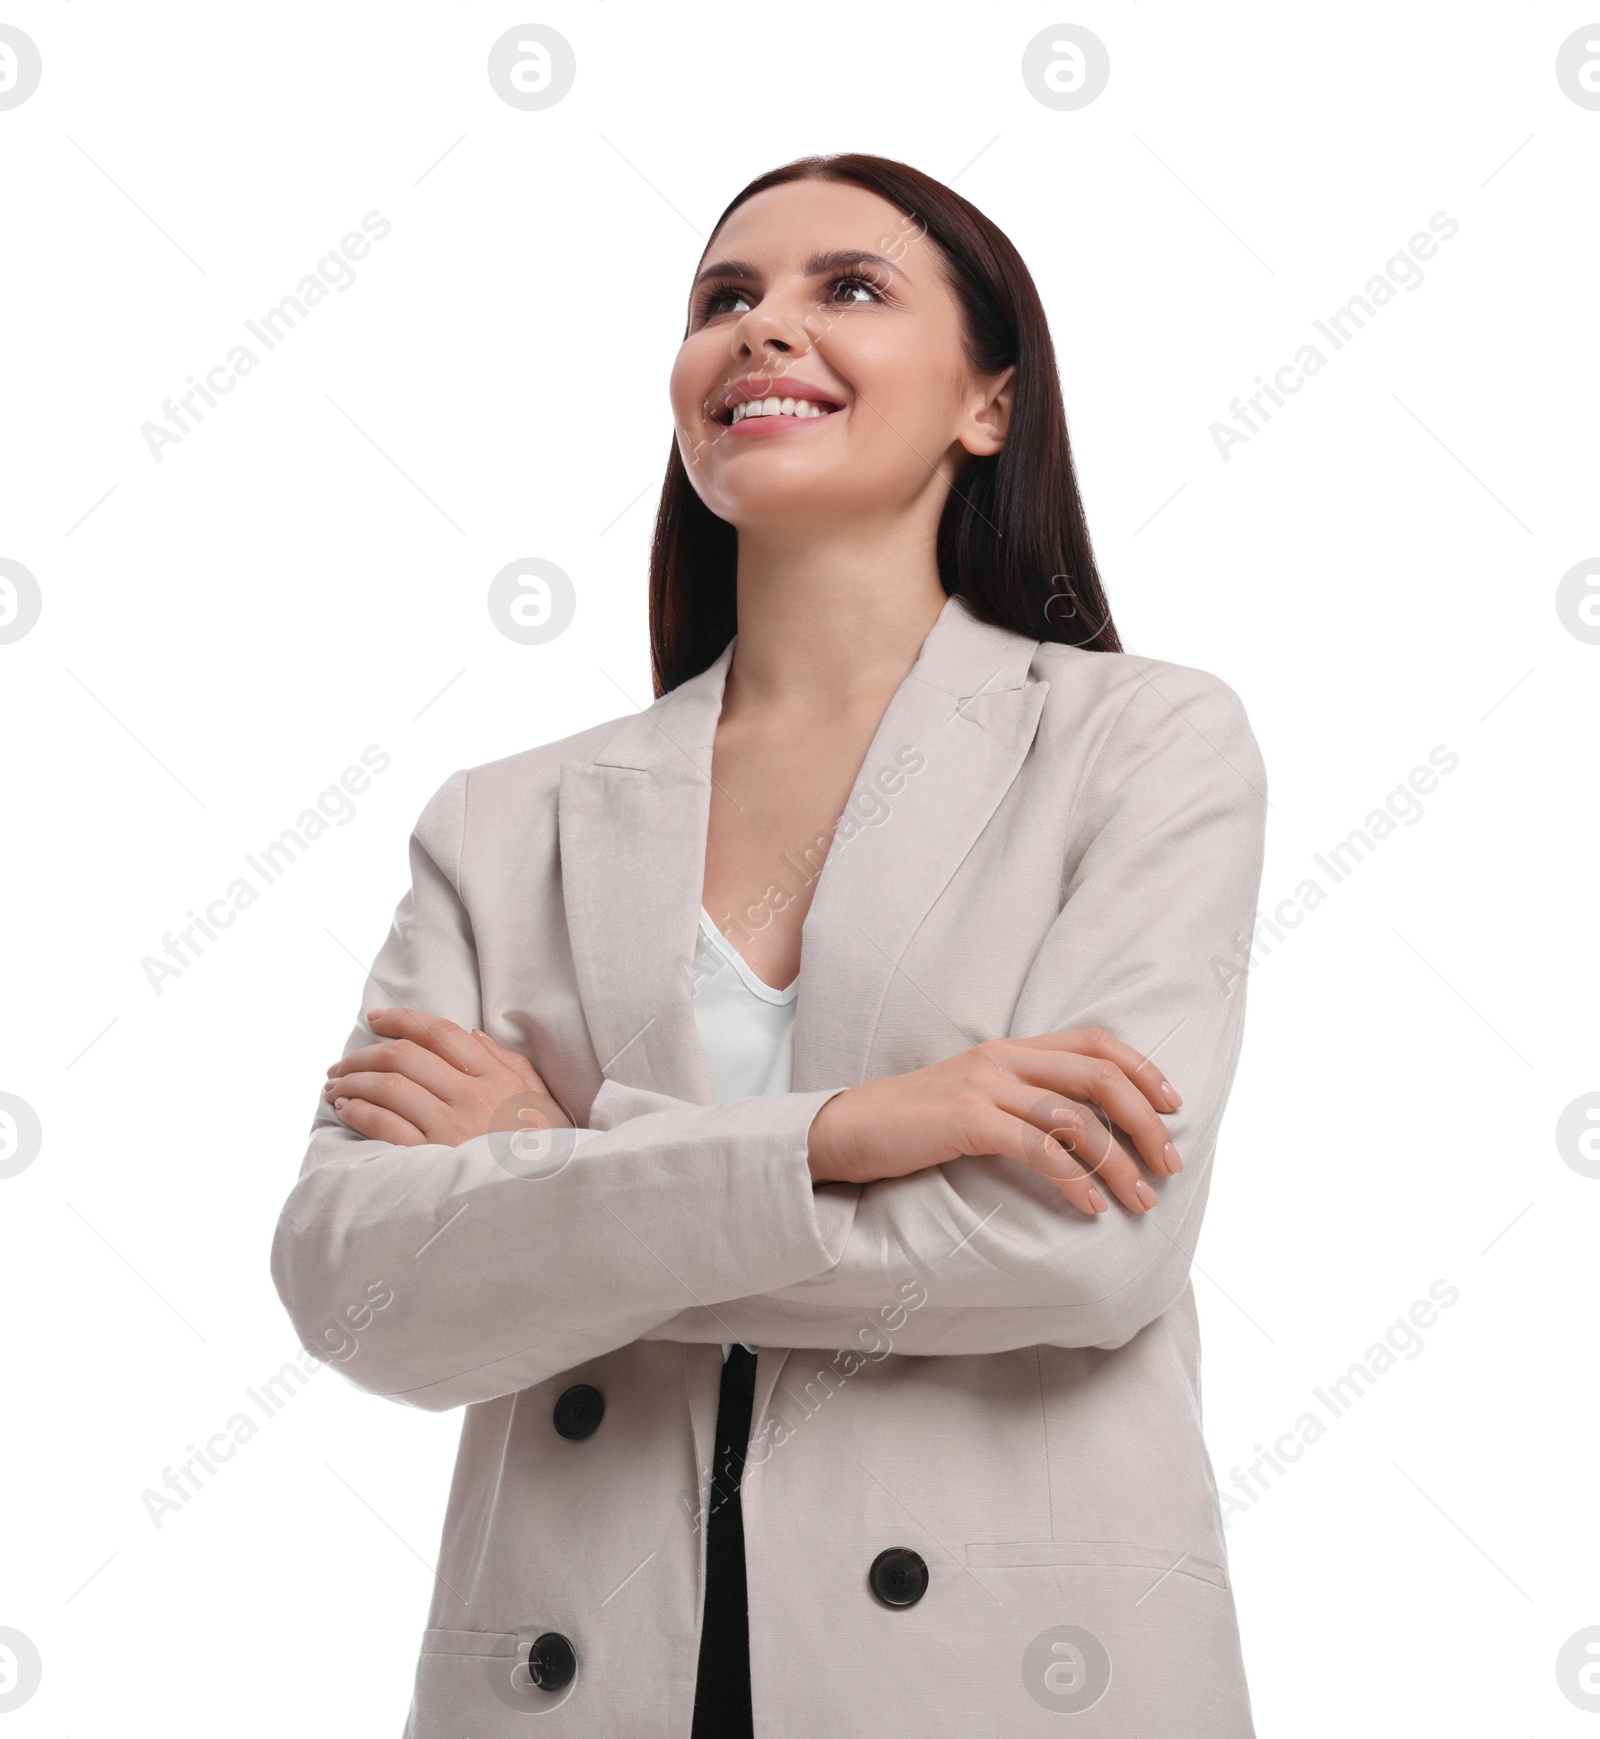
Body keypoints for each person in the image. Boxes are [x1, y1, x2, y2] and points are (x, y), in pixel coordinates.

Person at [271, 152, 1267, 1737]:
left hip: (1009, 1681)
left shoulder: (1140, 745)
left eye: (848, 290)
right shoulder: (500, 820)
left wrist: (567, 1168)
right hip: (573, 1675)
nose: (762, 330)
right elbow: (357, 1287)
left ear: (989, 405)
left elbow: (1086, 1246)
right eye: (724, 299)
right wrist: (852, 1138)